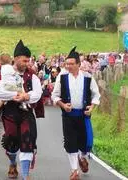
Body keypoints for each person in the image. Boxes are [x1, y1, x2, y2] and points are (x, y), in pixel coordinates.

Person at [0, 40, 42, 180]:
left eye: (28, 61)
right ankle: (12, 162)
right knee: (11, 140)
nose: (27, 63)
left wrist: (26, 96)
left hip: (26, 113)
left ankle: (25, 175)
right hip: (10, 112)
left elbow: (38, 93)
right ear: (15, 59)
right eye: (24, 60)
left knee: (27, 140)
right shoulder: (5, 74)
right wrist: (15, 95)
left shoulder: (32, 75)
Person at [51, 47, 100, 180]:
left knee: (85, 143)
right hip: (68, 115)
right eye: (67, 64)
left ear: (79, 64)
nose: (69, 66)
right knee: (70, 142)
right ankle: (74, 171)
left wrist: (92, 108)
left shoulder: (88, 77)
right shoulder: (62, 77)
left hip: (83, 115)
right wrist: (62, 105)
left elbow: (96, 95)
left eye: (72, 64)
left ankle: (82, 156)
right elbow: (54, 95)